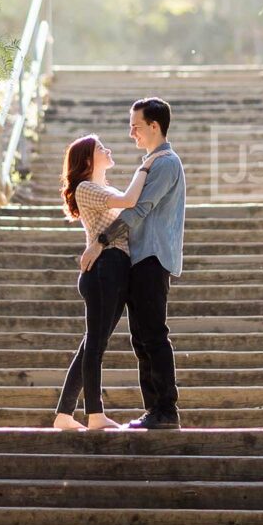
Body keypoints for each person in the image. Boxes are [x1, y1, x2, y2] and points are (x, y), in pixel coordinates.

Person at [82, 97, 186, 431]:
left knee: (153, 334)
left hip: (152, 258)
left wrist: (100, 242)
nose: (131, 133)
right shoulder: (152, 163)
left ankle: (165, 410)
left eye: (136, 126)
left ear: (154, 126)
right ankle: (153, 409)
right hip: (139, 259)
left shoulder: (166, 163)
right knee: (140, 336)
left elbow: (137, 211)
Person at [53, 135, 168, 430]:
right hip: (104, 268)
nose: (109, 150)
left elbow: (133, 207)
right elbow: (131, 201)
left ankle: (64, 415)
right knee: (94, 343)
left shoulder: (106, 189)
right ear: (89, 160)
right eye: (101, 149)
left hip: (116, 268)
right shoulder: (86, 188)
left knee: (93, 342)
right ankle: (94, 414)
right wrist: (147, 166)